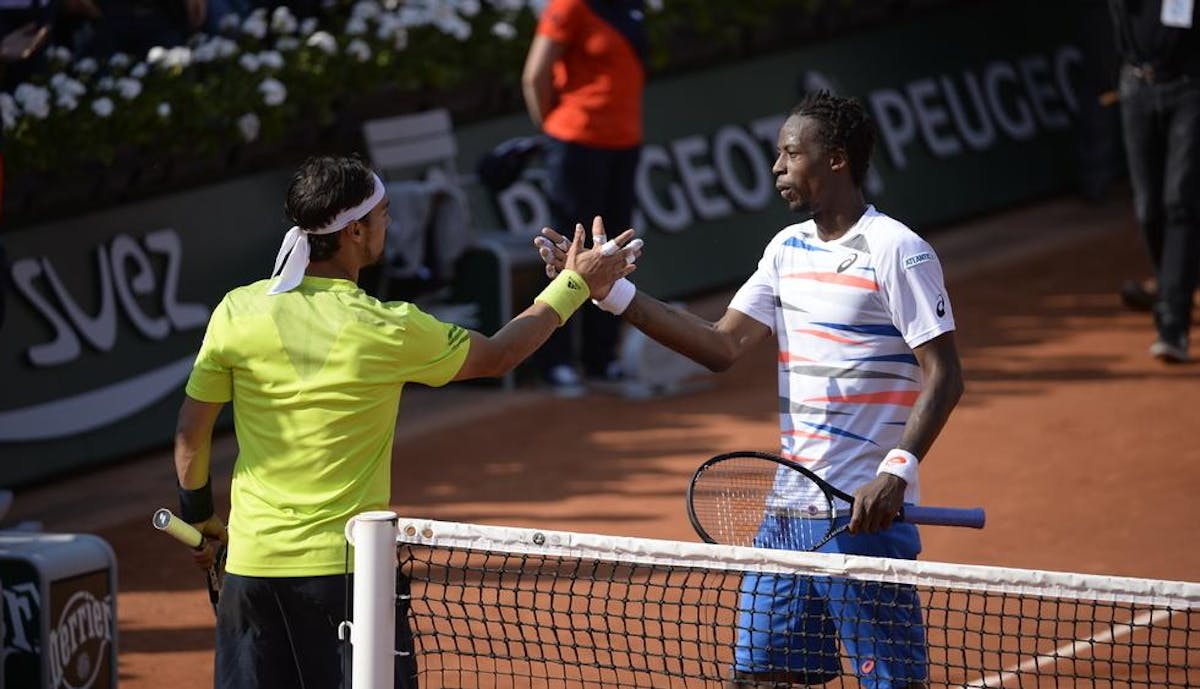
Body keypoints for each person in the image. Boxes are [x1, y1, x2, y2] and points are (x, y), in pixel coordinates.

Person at [538, 91, 964, 688]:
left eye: (791, 153)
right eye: (777, 154)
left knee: (892, 683)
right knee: (761, 676)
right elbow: (721, 345)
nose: (777, 168)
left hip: (863, 518)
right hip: (789, 515)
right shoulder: (785, 251)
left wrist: (895, 471)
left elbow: (944, 375)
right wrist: (609, 294)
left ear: (837, 158)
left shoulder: (898, 251)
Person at [171, 154, 636, 689]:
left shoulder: (237, 310)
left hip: (250, 574)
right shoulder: (386, 328)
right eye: (385, 214)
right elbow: (500, 355)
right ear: (354, 231)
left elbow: (191, 434)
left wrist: (201, 517)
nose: (390, 224)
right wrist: (573, 285)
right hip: (348, 578)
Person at [521, 0, 646, 394]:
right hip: (575, 145)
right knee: (567, 253)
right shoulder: (569, 6)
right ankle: (554, 359)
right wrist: (554, 134)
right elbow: (534, 76)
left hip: (624, 144)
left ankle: (600, 357)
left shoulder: (632, 7)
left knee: (612, 253)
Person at [1107, 0, 1200, 363]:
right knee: (1147, 208)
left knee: (1180, 201)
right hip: (1136, 86)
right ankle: (1172, 287)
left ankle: (1172, 321)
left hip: (1191, 86)